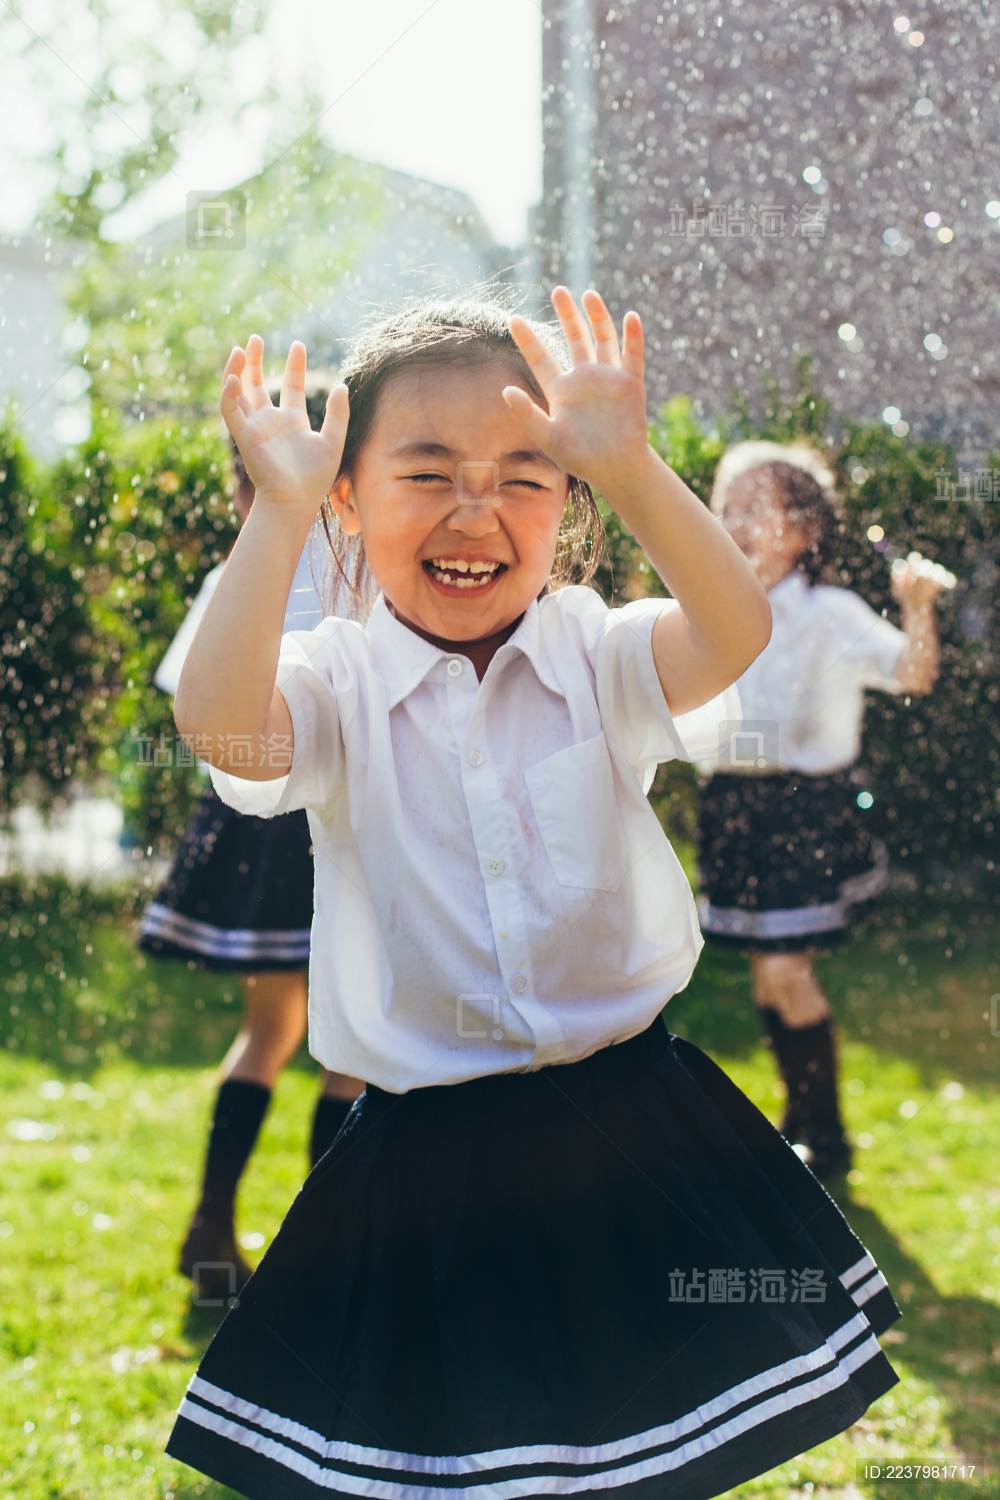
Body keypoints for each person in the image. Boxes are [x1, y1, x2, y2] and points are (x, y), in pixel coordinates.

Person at [165, 290, 901, 1500]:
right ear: (349, 496)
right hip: (429, 1167)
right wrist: (279, 513)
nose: (477, 511)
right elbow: (222, 728)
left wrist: (630, 462)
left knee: (651, 1463)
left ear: (568, 502)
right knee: (467, 1470)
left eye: (524, 476)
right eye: (426, 473)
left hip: (632, 1128)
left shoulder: (597, 653)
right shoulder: (337, 684)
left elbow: (733, 628)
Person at [138, 379, 363, 1303]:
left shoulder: (233, 577)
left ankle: (210, 1227)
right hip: (333, 817)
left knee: (268, 1030)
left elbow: (189, 699)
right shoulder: (360, 566)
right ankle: (324, 1256)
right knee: (348, 1043)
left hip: (251, 816)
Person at [698, 441, 945, 1179]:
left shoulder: (830, 613)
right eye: (727, 505)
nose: (737, 521)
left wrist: (916, 608)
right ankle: (799, 1120)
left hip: (803, 808)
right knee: (766, 973)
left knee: (786, 968)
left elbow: (912, 674)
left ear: (805, 531)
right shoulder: (708, 603)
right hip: (733, 803)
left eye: (758, 508)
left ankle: (827, 1137)